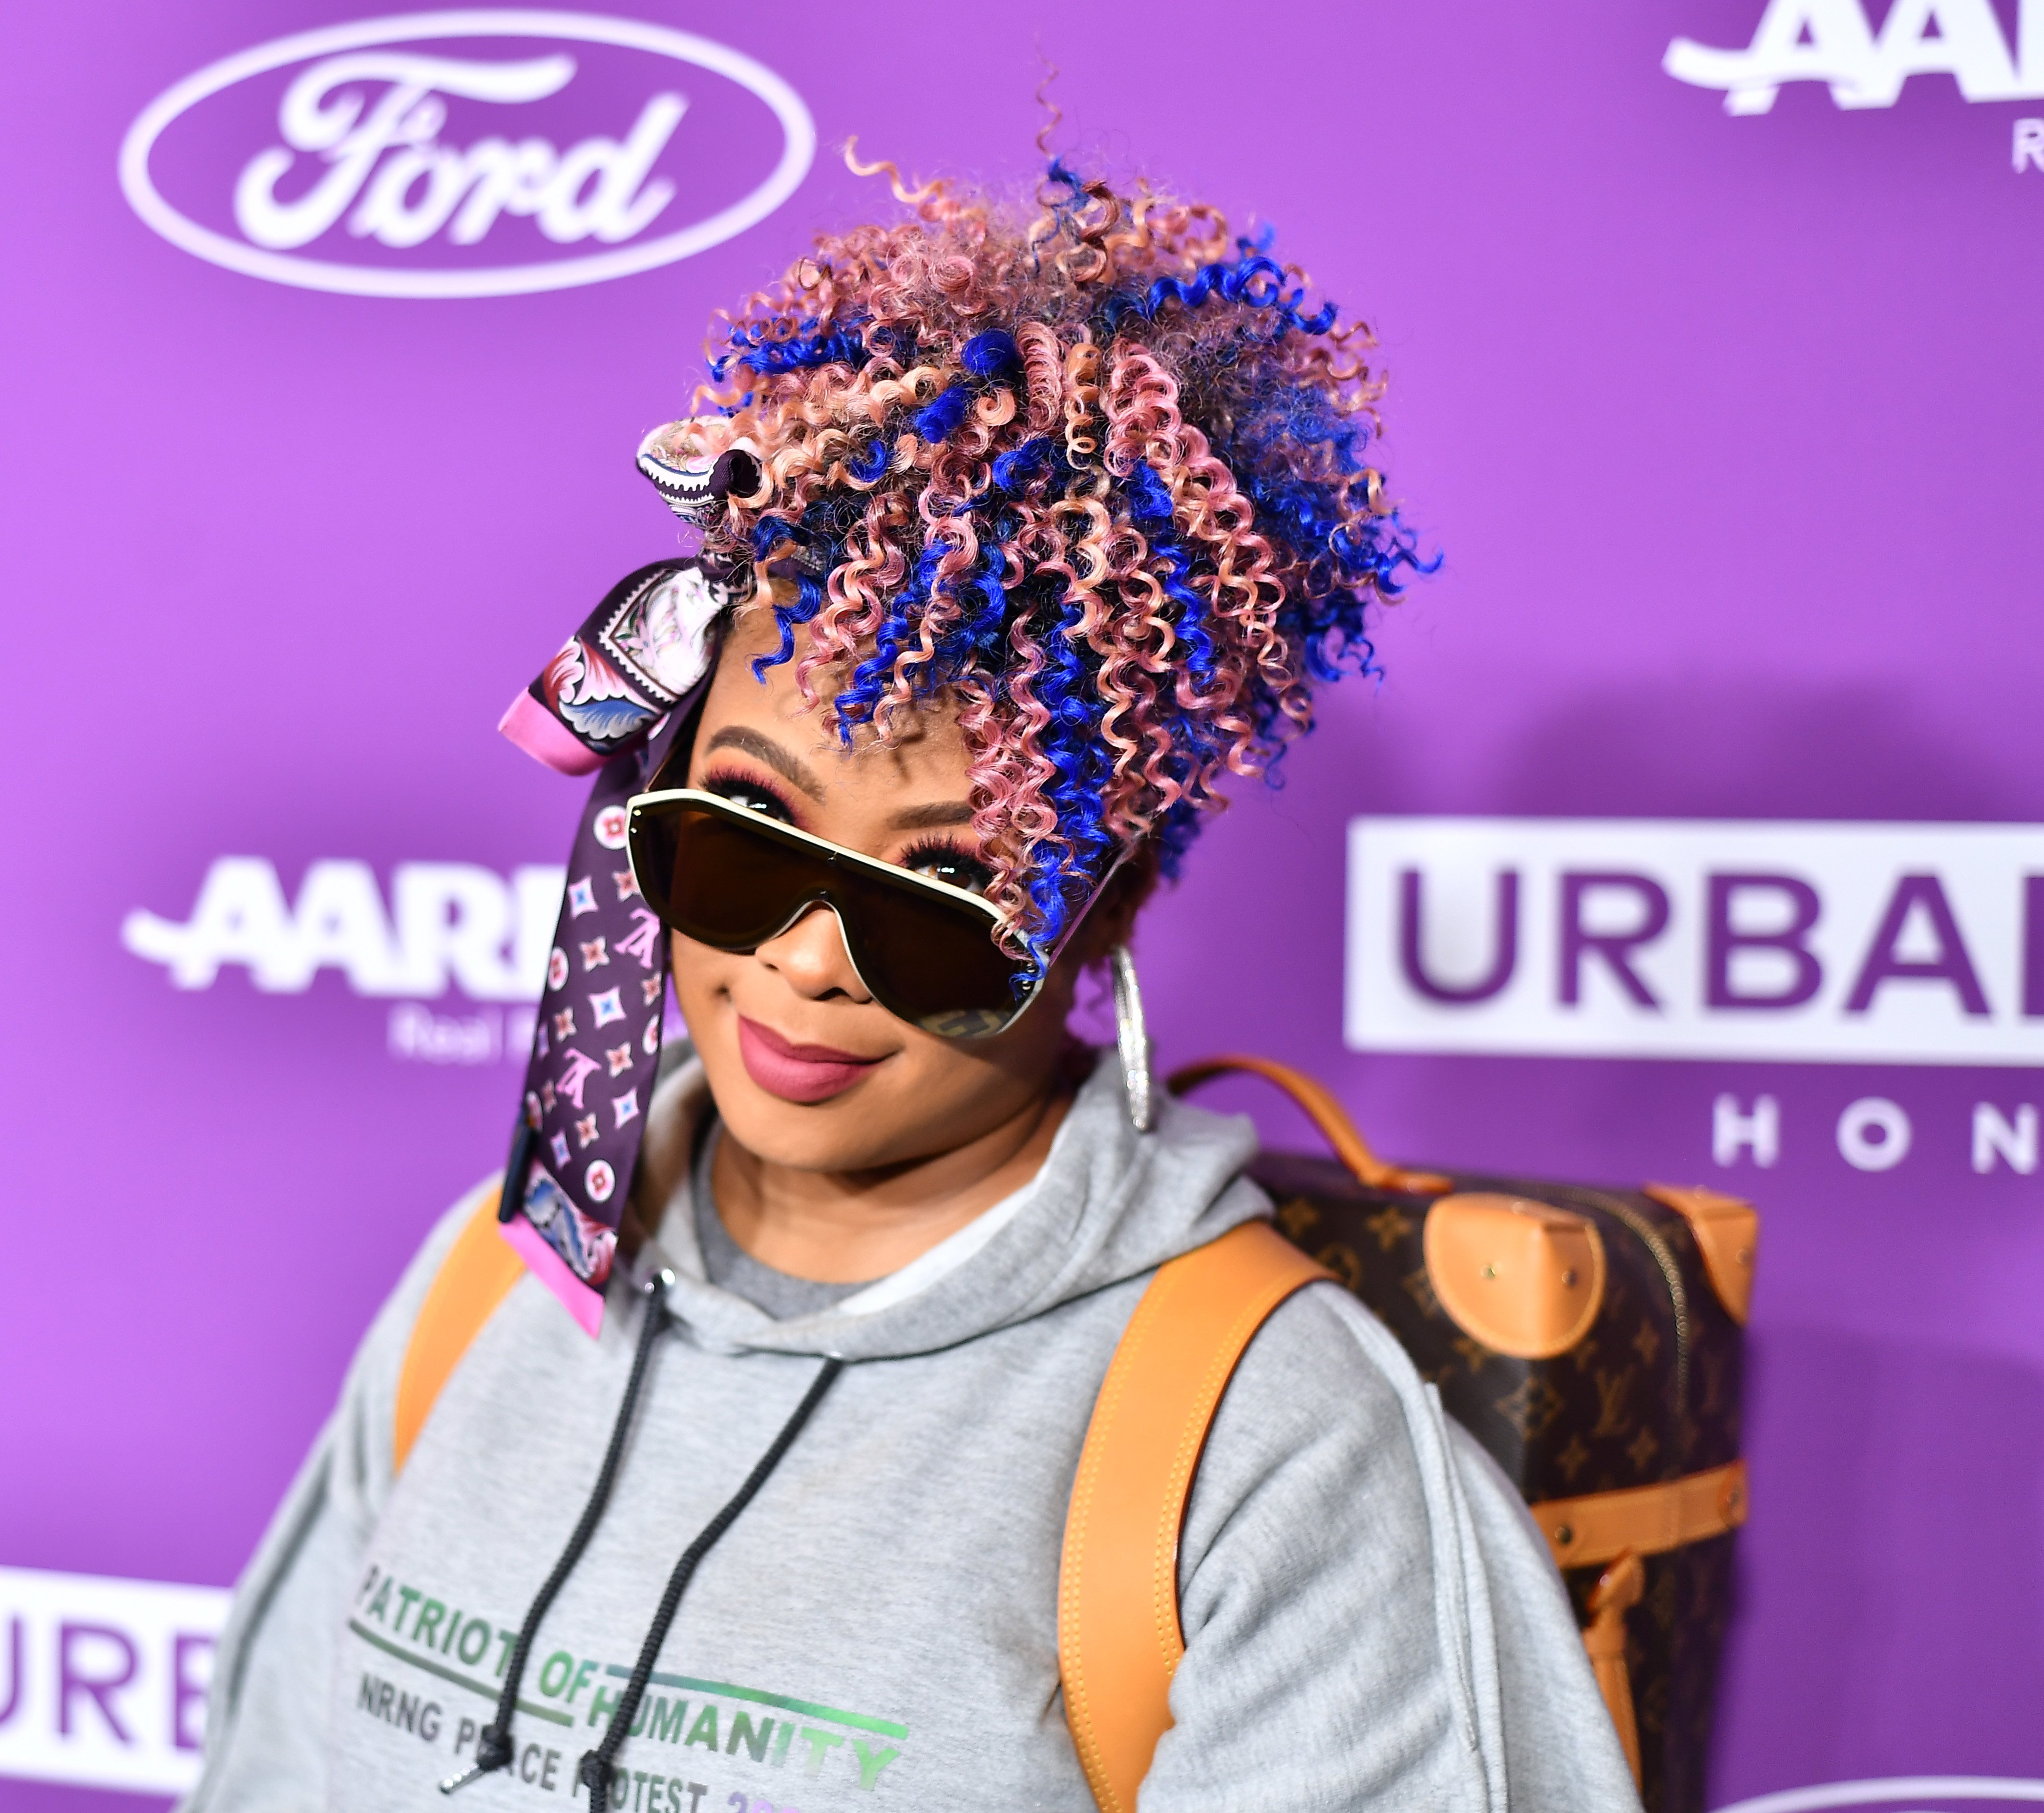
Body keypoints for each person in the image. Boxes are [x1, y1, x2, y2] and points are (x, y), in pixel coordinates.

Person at [180, 157, 1638, 1813]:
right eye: (740, 835)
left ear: (1099, 922)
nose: (803, 960)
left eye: (941, 895)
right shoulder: (489, 1285)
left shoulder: (1269, 1453)